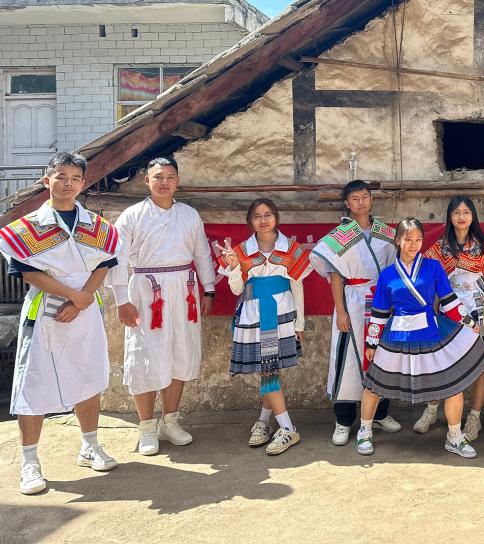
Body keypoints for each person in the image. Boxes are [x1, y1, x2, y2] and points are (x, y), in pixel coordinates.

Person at [0, 152, 121, 494]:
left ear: (83, 183)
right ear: (47, 180)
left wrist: (83, 298)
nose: (68, 183)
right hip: (47, 311)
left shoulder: (96, 225)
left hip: (86, 309)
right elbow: (27, 273)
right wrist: (72, 296)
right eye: (61, 176)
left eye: (75, 178)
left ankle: (90, 445)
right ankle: (30, 461)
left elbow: (104, 263)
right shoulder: (27, 227)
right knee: (33, 382)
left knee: (89, 376)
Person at [357, 218, 484, 458]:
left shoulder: (433, 267)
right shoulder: (388, 274)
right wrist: (371, 342)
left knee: (452, 386)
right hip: (396, 335)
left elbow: (449, 301)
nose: (413, 244)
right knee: (375, 385)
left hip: (430, 333)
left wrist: (469, 322)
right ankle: (365, 430)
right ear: (397, 241)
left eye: (418, 239)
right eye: (408, 239)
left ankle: (454, 436)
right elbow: (379, 313)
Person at [109, 157, 218, 456]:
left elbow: (202, 253)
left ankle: (170, 421)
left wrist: (209, 289)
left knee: (179, 353)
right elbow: (117, 260)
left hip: (184, 290)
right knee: (145, 355)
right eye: (158, 177)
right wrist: (122, 301)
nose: (164, 182)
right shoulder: (132, 216)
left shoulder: (189, 215)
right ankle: (146, 426)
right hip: (146, 291)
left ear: (177, 181)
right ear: (147, 180)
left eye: (170, 176)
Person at [216, 198, 312, 455]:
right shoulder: (239, 251)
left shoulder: (292, 249)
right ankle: (266, 420)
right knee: (267, 370)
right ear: (250, 221)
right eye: (257, 216)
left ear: (276, 217)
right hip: (253, 315)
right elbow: (237, 289)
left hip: (281, 315)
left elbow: (298, 286)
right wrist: (234, 267)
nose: (263, 220)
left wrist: (300, 323)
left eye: (267, 214)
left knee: (269, 370)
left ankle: (287, 428)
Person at [310, 180, 401, 447]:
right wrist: (340, 311)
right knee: (348, 358)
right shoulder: (339, 236)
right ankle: (343, 420)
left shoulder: (386, 233)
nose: (361, 202)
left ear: (371, 200)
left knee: (381, 355)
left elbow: (396, 269)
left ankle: (380, 413)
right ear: (347, 203)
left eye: (365, 197)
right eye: (355, 198)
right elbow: (335, 276)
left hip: (381, 301)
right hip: (352, 300)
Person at [416, 196, 484, 441]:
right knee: (442, 361)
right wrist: (432, 311)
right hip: (448, 308)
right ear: (450, 217)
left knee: (480, 364)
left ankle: (474, 417)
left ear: (473, 217)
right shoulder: (439, 248)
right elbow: (433, 283)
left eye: (466, 212)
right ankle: (432, 409)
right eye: (457, 212)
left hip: (478, 307)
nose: (461, 217)